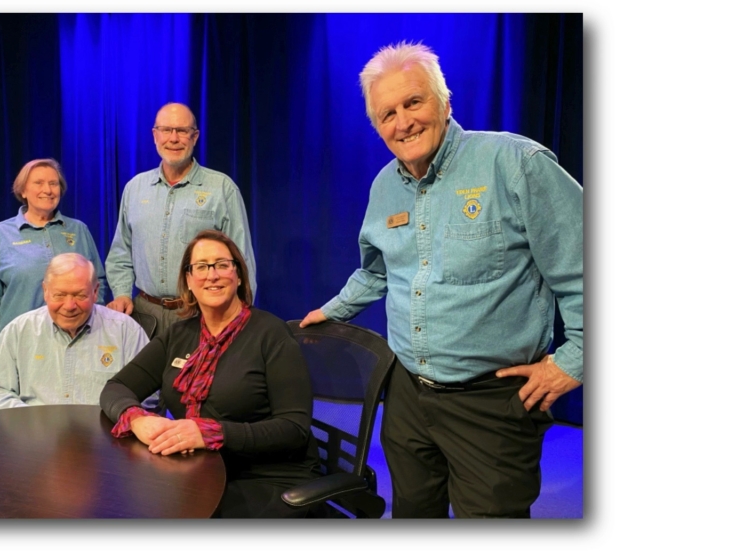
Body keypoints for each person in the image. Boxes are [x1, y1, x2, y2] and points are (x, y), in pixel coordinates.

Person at [300, 41, 583, 518]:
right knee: (413, 516)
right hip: (409, 395)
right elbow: (376, 270)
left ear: (445, 102)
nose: (403, 121)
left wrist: (576, 358)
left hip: (492, 404)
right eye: (387, 113)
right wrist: (333, 310)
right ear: (378, 127)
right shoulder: (384, 186)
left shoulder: (515, 163)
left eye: (414, 102)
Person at [101, 230, 319, 518]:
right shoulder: (178, 334)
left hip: (265, 476)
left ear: (239, 275)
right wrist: (138, 419)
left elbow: (294, 429)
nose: (212, 275)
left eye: (221, 265)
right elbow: (116, 388)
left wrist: (210, 433)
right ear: (189, 281)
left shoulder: (272, 334)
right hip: (200, 469)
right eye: (201, 267)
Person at [105, 102, 256, 333]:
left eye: (182, 131)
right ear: (155, 135)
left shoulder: (222, 189)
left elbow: (242, 260)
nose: (173, 138)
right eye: (166, 130)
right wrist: (123, 294)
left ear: (194, 137)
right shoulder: (135, 189)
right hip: (144, 317)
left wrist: (241, 317)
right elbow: (121, 253)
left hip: (202, 315)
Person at [0, 158, 109, 376]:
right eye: (39, 183)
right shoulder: (0, 235)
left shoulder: (79, 230)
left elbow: (97, 287)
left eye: (54, 184)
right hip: (20, 346)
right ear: (23, 190)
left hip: (75, 343)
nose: (48, 190)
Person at [0, 253, 148, 411]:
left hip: (105, 436)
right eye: (59, 295)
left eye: (80, 296)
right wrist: (29, 422)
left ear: (95, 292)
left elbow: (148, 397)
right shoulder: (19, 330)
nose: (69, 306)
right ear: (45, 291)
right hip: (32, 436)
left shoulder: (126, 331)